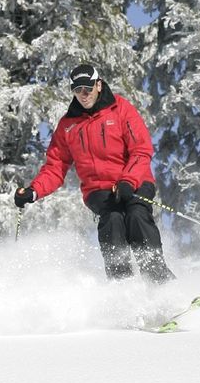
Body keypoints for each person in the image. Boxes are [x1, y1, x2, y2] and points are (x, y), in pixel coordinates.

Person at [14, 63, 175, 284]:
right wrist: (33, 191)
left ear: (98, 85)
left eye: (88, 88)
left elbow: (141, 149)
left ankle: (158, 279)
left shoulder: (120, 109)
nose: (83, 94)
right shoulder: (68, 125)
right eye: (78, 90)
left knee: (136, 216)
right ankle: (122, 286)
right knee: (113, 220)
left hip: (134, 180)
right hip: (99, 189)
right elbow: (56, 165)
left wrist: (128, 181)